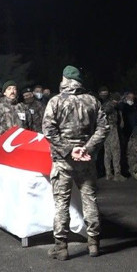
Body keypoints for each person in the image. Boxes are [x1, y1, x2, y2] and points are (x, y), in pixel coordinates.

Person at [43, 65, 108, 260]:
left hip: (64, 160)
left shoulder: (55, 102)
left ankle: (61, 246)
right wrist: (86, 148)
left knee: (62, 202)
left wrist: (70, 150)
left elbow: (49, 131)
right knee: (89, 199)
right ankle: (93, 243)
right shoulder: (92, 101)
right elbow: (103, 128)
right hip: (86, 160)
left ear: (65, 79)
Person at [102, 92, 125, 181]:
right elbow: (105, 112)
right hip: (112, 128)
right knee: (116, 151)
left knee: (107, 152)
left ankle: (108, 173)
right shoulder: (111, 105)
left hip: (105, 129)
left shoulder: (106, 105)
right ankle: (117, 174)